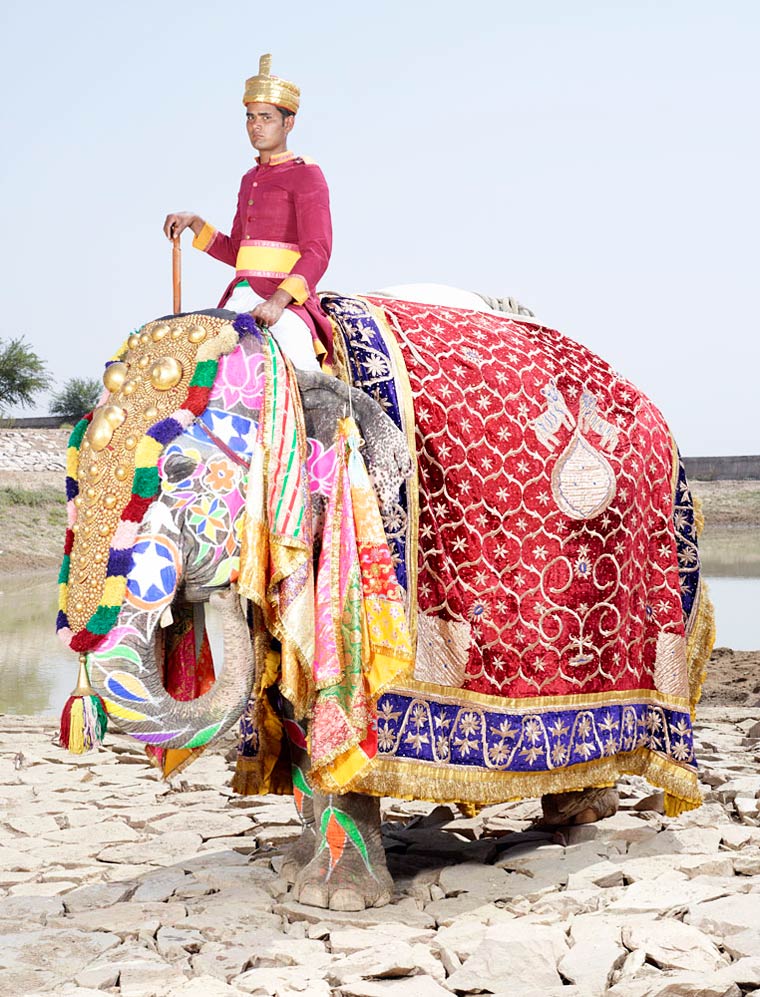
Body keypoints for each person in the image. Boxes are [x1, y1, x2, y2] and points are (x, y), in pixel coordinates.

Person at [163, 54, 334, 371]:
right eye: (251, 117)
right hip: (238, 298)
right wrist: (195, 223)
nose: (256, 125)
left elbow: (318, 251)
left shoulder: (306, 174)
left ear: (288, 123)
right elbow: (237, 252)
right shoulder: (249, 180)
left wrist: (278, 302)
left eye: (266, 117)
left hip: (286, 303)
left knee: (301, 368)